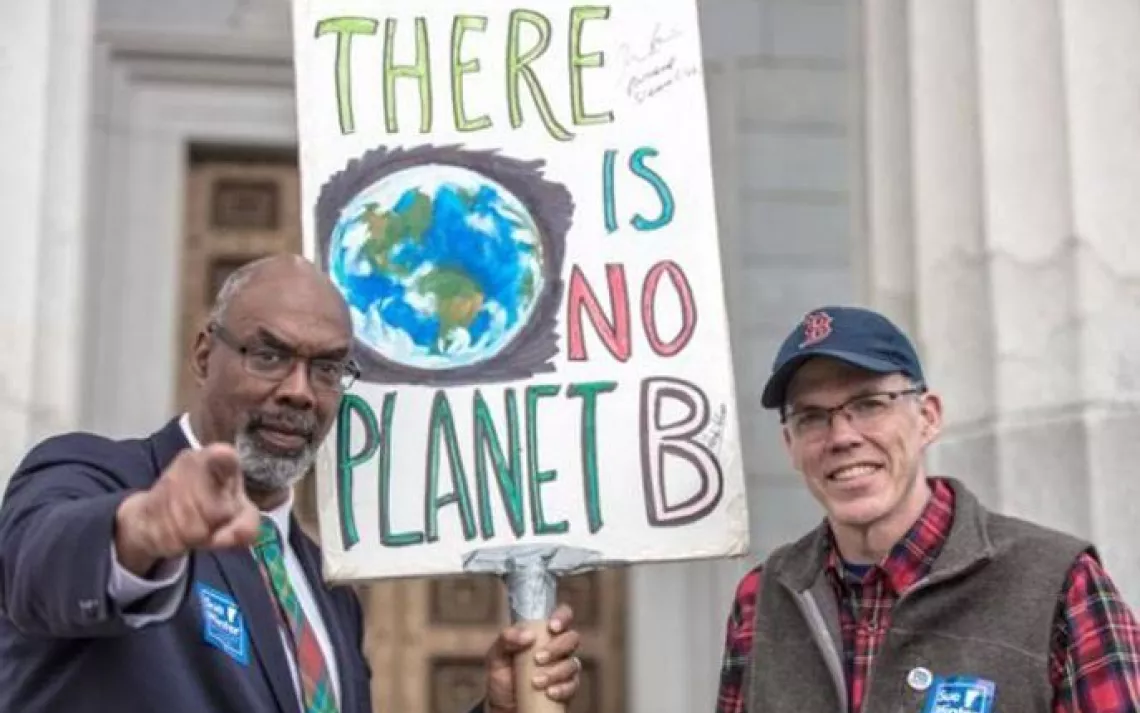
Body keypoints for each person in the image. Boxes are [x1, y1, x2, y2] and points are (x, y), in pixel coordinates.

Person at [0, 255, 583, 713]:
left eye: (327, 368)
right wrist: (143, 529)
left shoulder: (329, 594)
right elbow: (39, 563)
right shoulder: (99, 476)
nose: (299, 392)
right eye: (269, 355)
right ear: (205, 355)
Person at [716, 305, 1140, 713]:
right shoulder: (763, 599)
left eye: (868, 404)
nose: (842, 436)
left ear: (928, 418)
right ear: (790, 445)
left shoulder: (1058, 585)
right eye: (811, 416)